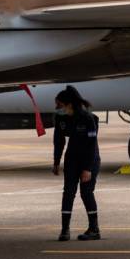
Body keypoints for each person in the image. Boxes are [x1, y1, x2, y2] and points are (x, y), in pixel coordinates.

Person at [52, 86, 100, 242]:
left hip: (89, 158)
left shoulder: (88, 119)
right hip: (72, 158)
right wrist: (56, 161)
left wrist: (87, 169)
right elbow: (59, 141)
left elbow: (92, 145)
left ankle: (94, 229)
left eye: (59, 105)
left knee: (86, 192)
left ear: (69, 104)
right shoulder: (61, 119)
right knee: (68, 192)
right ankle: (65, 230)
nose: (57, 108)